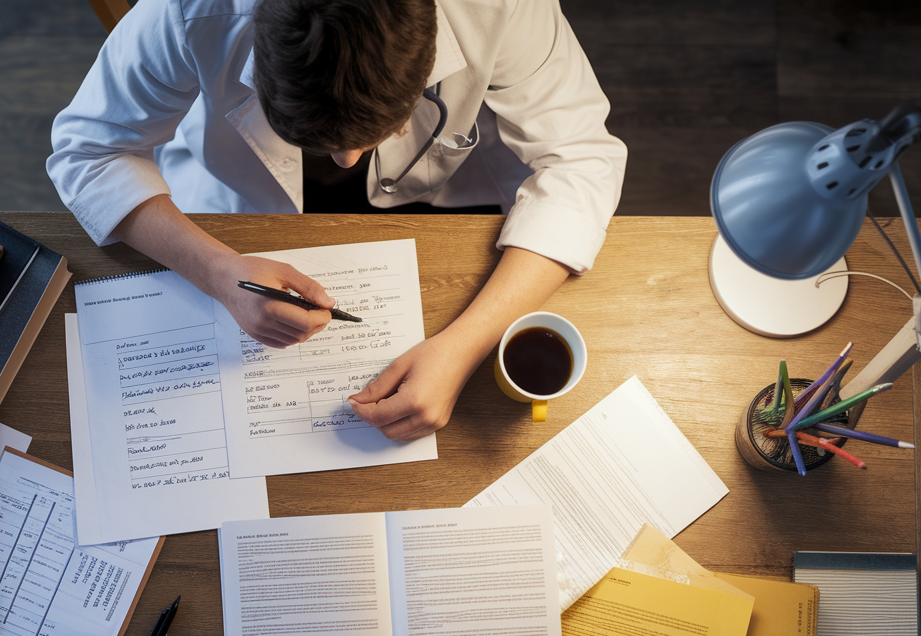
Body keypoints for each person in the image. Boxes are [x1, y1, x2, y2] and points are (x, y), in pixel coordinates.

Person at [48, 0, 625, 442]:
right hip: (244, 208)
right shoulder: (189, 11)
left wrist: (465, 345)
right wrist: (219, 273)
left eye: (377, 134)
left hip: (445, 203)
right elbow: (88, 153)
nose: (346, 162)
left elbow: (581, 160)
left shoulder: (501, 9)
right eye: (318, 142)